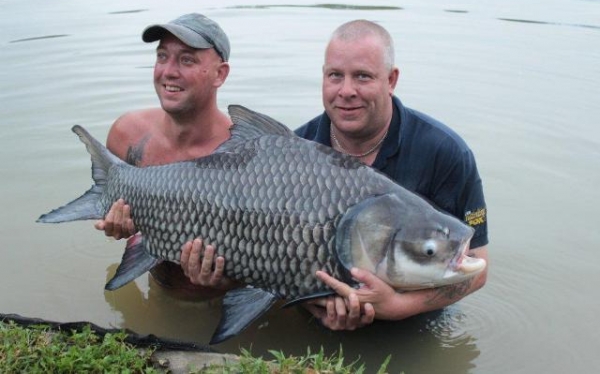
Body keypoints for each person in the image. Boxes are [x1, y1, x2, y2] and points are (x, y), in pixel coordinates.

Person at [100, 18, 489, 331]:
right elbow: (267, 259)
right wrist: (313, 305)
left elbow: (477, 267)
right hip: (318, 318)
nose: (346, 90)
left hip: (416, 325)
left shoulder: (446, 152)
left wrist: (397, 307)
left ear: (391, 80)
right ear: (322, 78)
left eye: (364, 77)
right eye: (335, 75)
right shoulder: (296, 147)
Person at [94, 12, 237, 295]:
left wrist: (226, 279)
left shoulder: (247, 152)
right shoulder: (127, 135)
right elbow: (106, 211)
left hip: (229, 307)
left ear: (220, 74)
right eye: (162, 57)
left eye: (187, 60)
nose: (169, 71)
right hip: (160, 291)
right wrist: (115, 224)